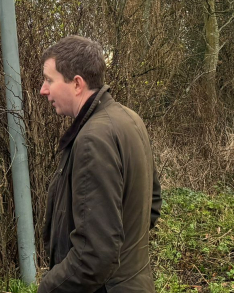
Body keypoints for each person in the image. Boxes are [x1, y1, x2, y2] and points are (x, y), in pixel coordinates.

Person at [38, 36, 162, 293]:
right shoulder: (129, 118)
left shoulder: (93, 139)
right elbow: (152, 204)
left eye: (49, 80)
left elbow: (93, 257)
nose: (43, 89)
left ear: (77, 84)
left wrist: (47, 288)